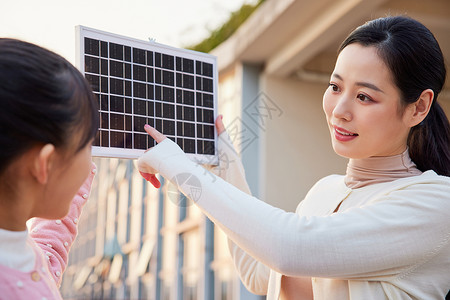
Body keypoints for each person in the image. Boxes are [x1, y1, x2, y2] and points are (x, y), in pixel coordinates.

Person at [138, 16, 450, 299]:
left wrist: (177, 167)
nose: (339, 110)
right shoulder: (326, 191)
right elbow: (260, 273)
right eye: (335, 86)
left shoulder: (436, 203)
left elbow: (288, 247)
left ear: (418, 107)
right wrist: (223, 165)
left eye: (364, 96)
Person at [0, 38, 98, 299]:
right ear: (46, 164)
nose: (92, 161)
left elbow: (47, 258)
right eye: (88, 144)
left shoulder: (19, 249)